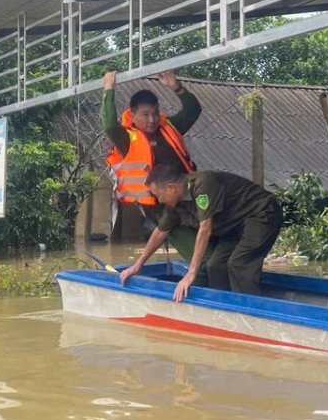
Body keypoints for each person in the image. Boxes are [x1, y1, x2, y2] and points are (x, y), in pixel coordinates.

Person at [102, 69, 211, 283]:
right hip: (164, 211)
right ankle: (199, 294)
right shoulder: (126, 139)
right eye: (144, 115)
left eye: (154, 113)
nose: (151, 120)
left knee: (215, 248)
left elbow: (193, 110)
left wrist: (175, 86)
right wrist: (108, 89)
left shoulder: (169, 128)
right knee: (205, 260)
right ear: (132, 116)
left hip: (190, 202)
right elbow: (109, 124)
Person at [121, 164, 283, 302]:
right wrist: (138, 264)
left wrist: (191, 273)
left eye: (158, 195)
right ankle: (222, 307)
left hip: (261, 214)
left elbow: (205, 229)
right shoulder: (176, 204)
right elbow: (160, 232)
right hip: (235, 226)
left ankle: (250, 313)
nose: (159, 200)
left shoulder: (203, 185)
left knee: (239, 265)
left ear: (170, 188)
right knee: (214, 266)